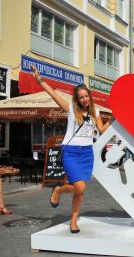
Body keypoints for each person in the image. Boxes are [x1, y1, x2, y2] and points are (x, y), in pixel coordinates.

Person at [32, 66, 110, 234]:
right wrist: (40, 81)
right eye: (81, 97)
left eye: (86, 96)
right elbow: (54, 95)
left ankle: (73, 221)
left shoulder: (95, 111)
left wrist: (114, 119)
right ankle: (59, 189)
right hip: (71, 152)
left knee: (80, 191)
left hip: (87, 153)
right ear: (77, 98)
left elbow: (102, 130)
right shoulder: (71, 110)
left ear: (89, 96)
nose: (84, 99)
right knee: (80, 188)